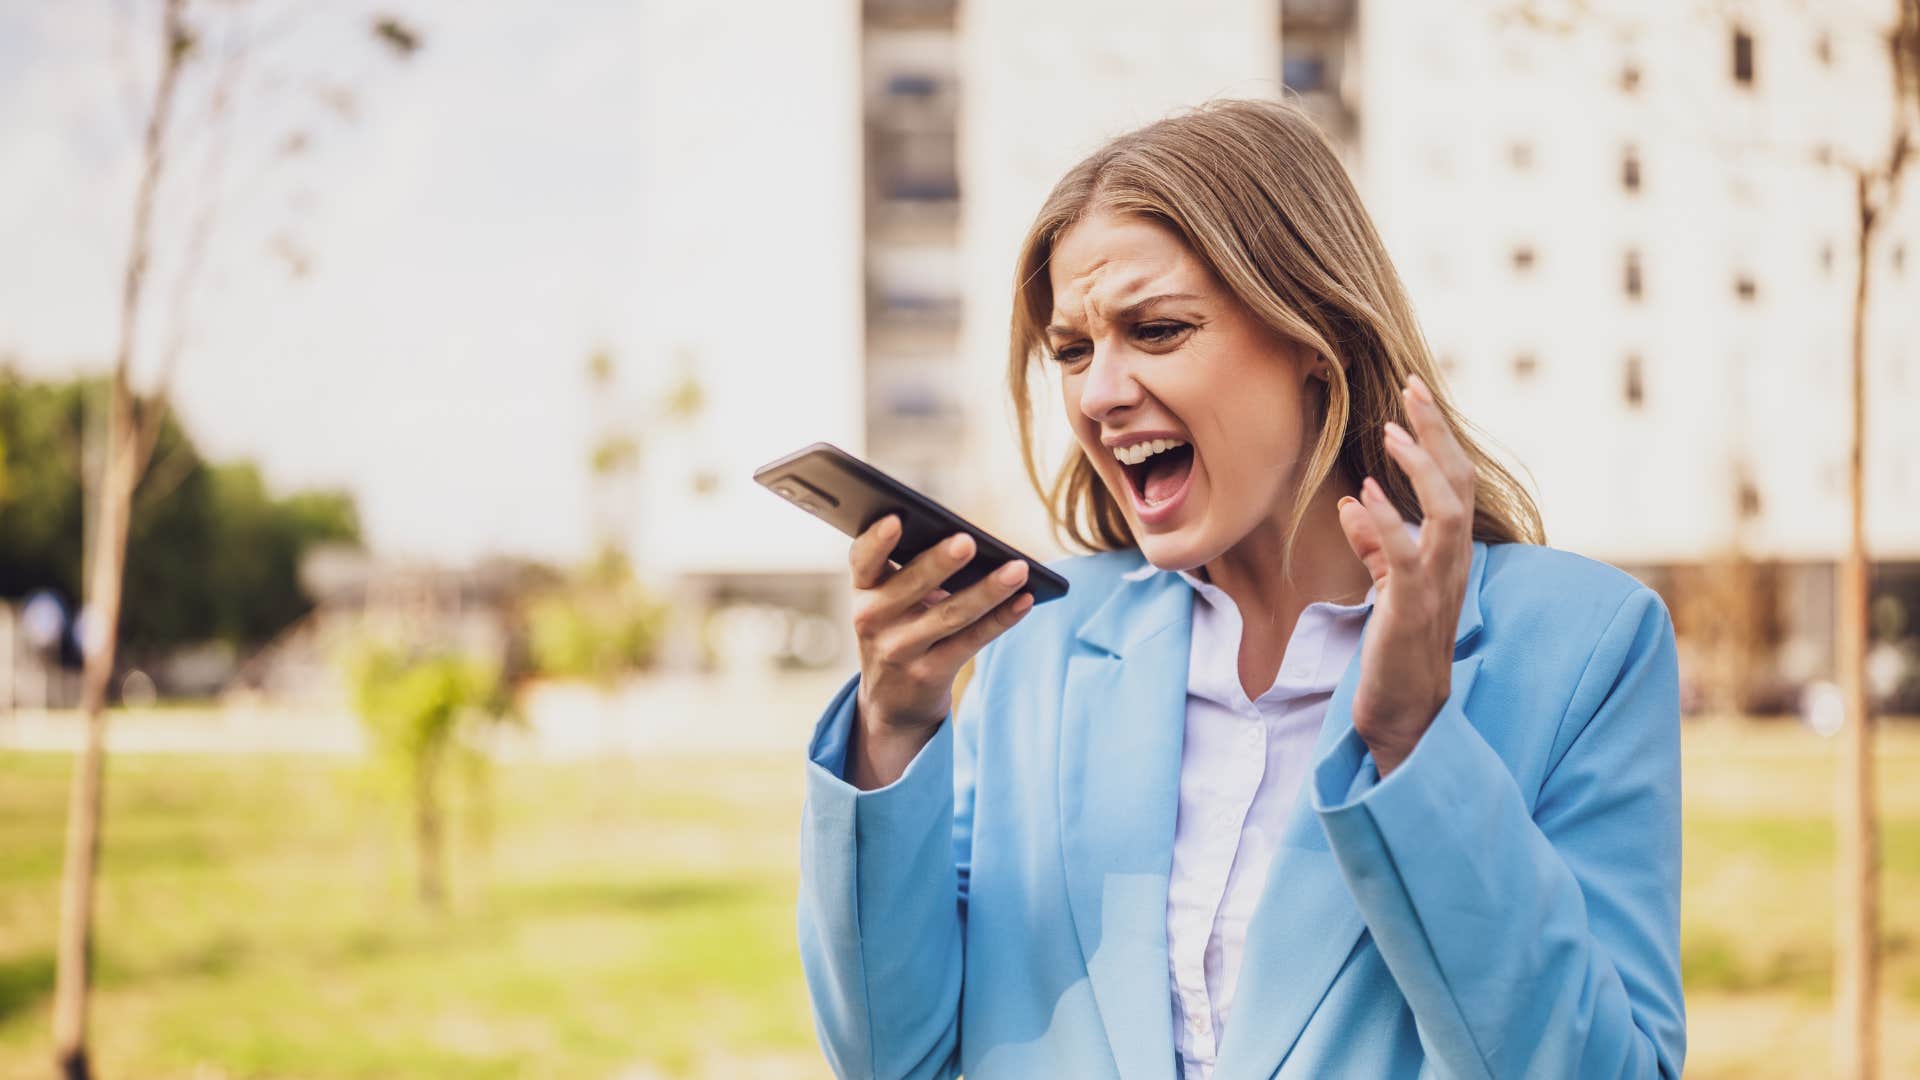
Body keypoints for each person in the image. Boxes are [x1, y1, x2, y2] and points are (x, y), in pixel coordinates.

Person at [796, 98, 1684, 1080]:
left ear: (1315, 334)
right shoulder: (1036, 645)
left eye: (1159, 330)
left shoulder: (1586, 647)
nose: (1097, 395)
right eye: (1074, 350)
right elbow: (892, 1059)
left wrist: (1416, 743)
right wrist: (894, 730)